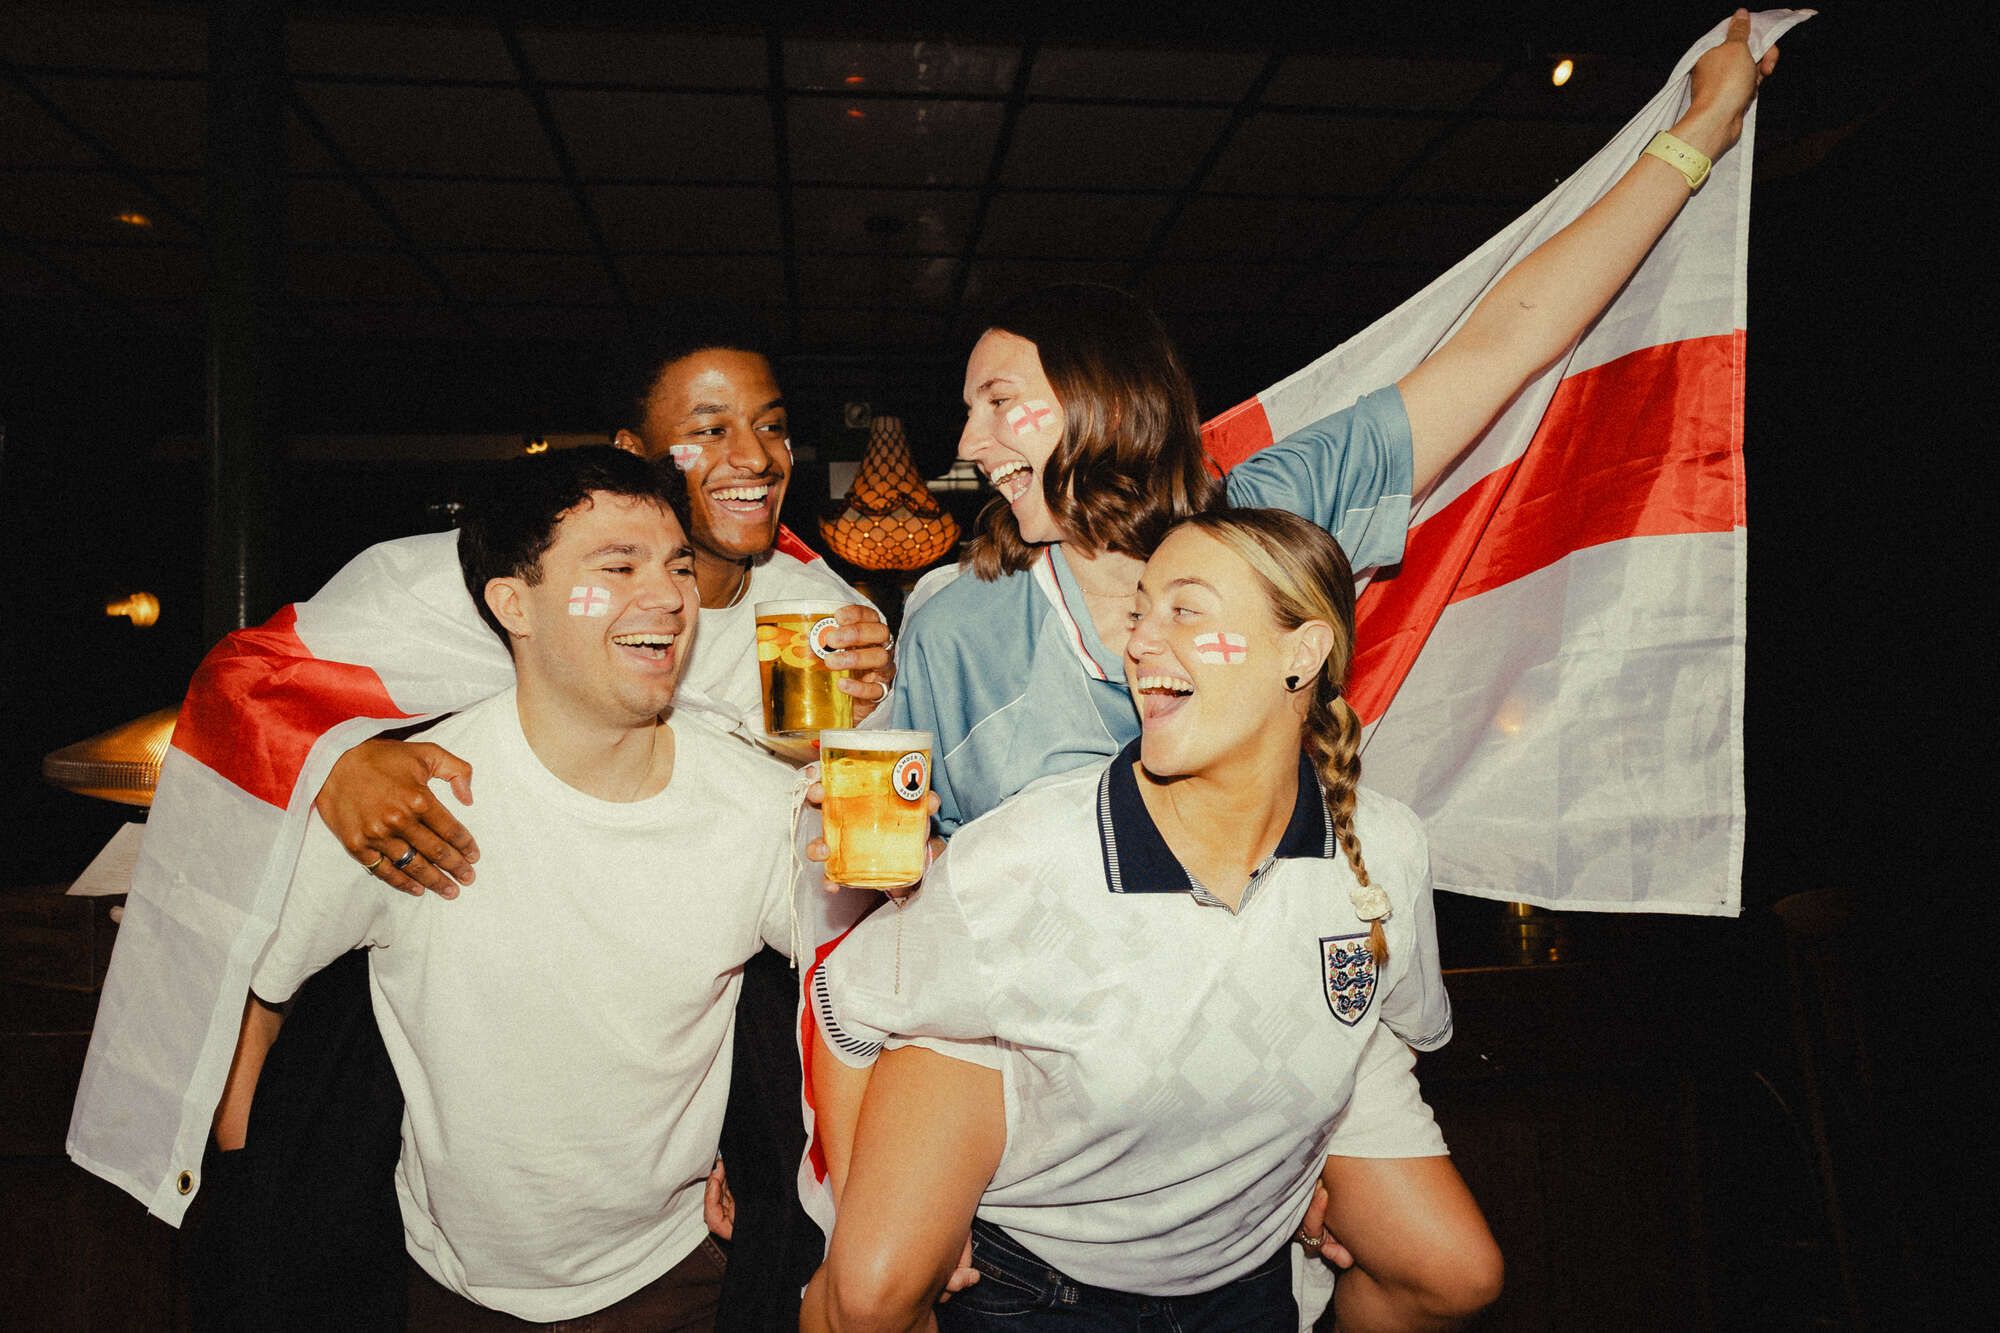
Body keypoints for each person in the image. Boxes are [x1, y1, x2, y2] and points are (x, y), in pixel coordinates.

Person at [863, 14, 1777, 1324]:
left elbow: (1502, 345)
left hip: (1283, 1006)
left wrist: (1698, 133)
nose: (968, 441)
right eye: (968, 410)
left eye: (999, 399)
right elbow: (909, 888)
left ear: (1105, 395)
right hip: (1073, 1074)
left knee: (1450, 1272)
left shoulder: (1267, 516)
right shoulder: (958, 619)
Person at [70, 331, 888, 1329]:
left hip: (687, 1084)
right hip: (451, 1128)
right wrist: (334, 760)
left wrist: (809, 1173)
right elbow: (252, 685)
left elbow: (858, 929)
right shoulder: (451, 604)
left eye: (772, 426)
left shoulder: (815, 613)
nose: (752, 455)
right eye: (708, 429)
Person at [804, 509, 1489, 1329]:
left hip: (1242, 1288)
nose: (1139, 641)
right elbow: (845, 1004)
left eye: (1185, 609)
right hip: (1027, 1288)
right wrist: (859, 1209)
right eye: (1139, 612)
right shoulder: (1033, 851)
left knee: (1464, 1275)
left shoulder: (1385, 849)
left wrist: (1304, 1151)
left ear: (1302, 654)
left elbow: (1387, 1032)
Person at [207, 446, 811, 1325]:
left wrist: (822, 1179)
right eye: (619, 566)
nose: (669, 595)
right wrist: (243, 1199)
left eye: (679, 565)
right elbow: (255, 990)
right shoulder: (411, 801)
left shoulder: (756, 806)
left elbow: (868, 989)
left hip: (679, 1276)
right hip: (439, 1287)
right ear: (512, 603)